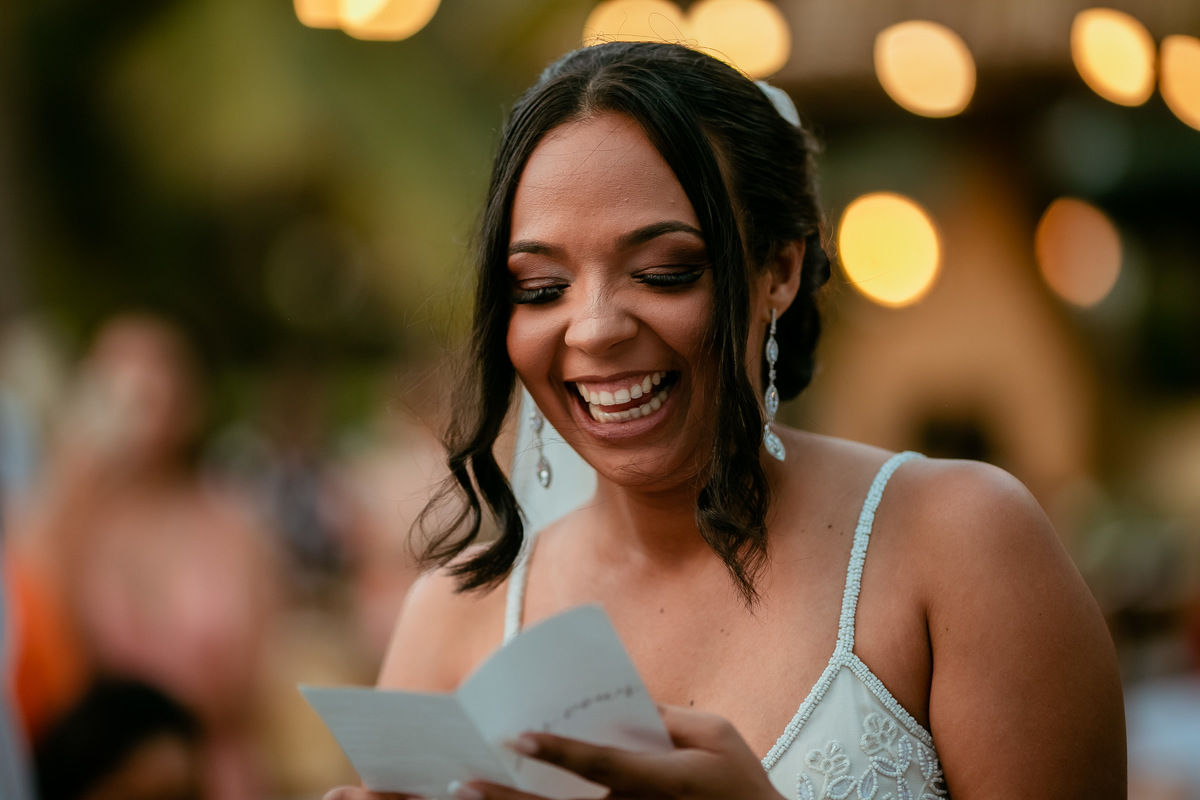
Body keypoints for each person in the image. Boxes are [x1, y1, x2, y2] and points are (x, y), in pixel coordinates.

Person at [326, 41, 1125, 799]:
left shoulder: (958, 546)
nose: (594, 328)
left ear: (778, 267)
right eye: (541, 288)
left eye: (664, 271)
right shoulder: (454, 620)